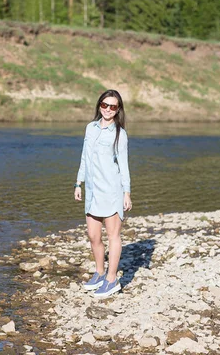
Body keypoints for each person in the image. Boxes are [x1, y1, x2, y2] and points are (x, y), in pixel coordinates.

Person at [74, 89, 131, 299]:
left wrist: (127, 192)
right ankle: (99, 273)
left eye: (113, 106)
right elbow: (84, 158)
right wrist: (78, 182)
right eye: (104, 105)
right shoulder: (90, 128)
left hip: (112, 190)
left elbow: (124, 165)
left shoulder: (119, 134)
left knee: (113, 235)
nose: (108, 109)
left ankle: (111, 279)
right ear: (99, 106)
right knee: (93, 235)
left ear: (118, 110)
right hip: (92, 190)